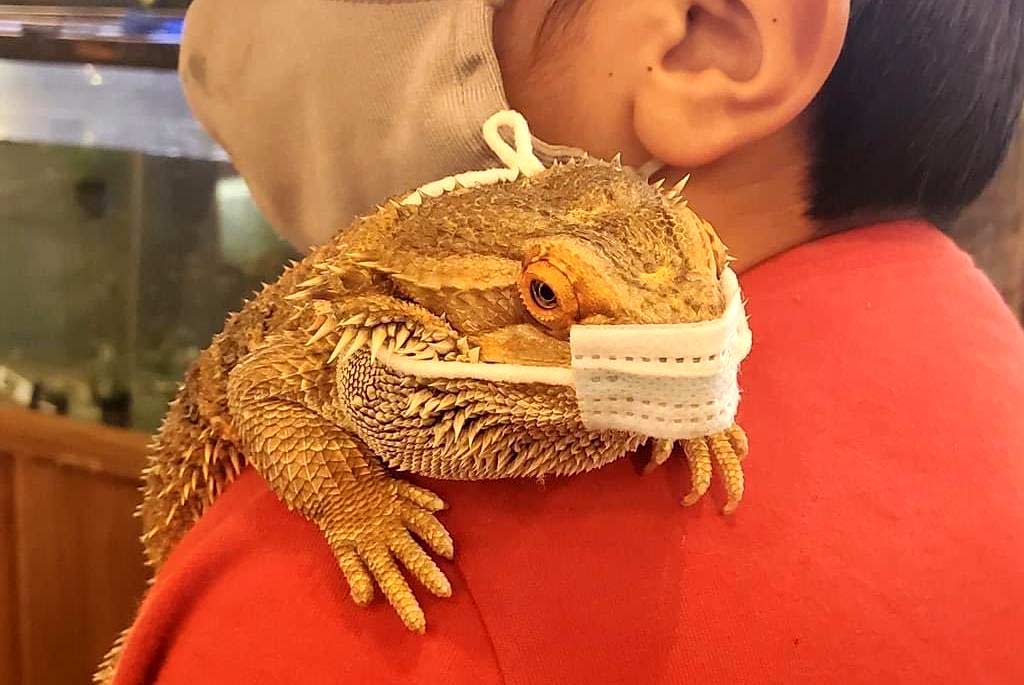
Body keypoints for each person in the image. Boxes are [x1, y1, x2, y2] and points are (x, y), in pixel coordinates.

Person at [110, 1, 1024, 683]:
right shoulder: (993, 359)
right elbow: (273, 384)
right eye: (549, 295)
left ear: (712, 33)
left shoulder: (317, 622)